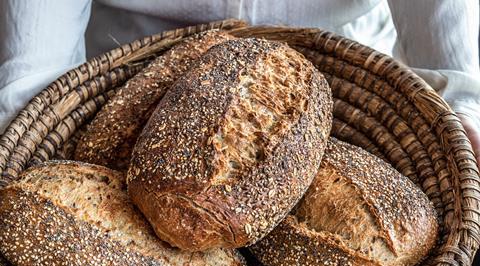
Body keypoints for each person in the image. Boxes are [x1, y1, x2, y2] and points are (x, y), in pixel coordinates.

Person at [0, 0, 479, 163]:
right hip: (123, 77)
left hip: (347, 87)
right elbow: (37, 73)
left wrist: (459, 99)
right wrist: (29, 110)